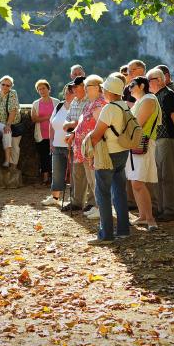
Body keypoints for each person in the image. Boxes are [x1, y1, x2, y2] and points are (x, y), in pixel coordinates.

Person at [88, 74, 131, 244]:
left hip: (108, 154)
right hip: (122, 152)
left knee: (103, 193)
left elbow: (96, 135)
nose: (102, 91)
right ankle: (123, 230)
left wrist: (90, 152)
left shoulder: (109, 108)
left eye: (104, 89)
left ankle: (106, 234)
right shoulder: (124, 106)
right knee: (119, 192)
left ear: (108, 91)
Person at [148, 67, 174, 222]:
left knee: (167, 175)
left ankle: (170, 210)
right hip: (158, 139)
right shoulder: (156, 96)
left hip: (167, 138)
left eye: (149, 80)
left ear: (158, 80)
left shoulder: (168, 95)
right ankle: (161, 208)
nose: (147, 83)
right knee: (159, 176)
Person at [68, 74, 106, 219]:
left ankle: (101, 208)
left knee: (96, 179)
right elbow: (81, 124)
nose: (85, 90)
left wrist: (92, 143)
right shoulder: (91, 103)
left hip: (93, 148)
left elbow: (100, 126)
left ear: (97, 88)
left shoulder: (99, 103)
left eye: (87, 87)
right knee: (91, 180)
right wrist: (73, 133)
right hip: (85, 149)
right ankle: (97, 206)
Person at [126, 76, 161, 230]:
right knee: (135, 182)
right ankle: (143, 216)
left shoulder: (148, 100)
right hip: (137, 144)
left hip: (143, 143)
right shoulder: (141, 101)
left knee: (138, 182)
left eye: (132, 85)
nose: (129, 87)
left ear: (141, 85)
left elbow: (137, 124)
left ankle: (150, 218)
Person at [62, 76, 95, 212]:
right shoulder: (74, 101)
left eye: (76, 86)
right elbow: (67, 121)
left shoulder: (90, 102)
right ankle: (77, 202)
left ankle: (92, 203)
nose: (73, 89)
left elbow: (83, 123)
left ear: (84, 86)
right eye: (73, 87)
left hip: (87, 142)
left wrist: (72, 125)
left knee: (91, 173)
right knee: (77, 173)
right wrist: (71, 125)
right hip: (75, 142)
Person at [42, 83, 74, 206]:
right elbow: (51, 124)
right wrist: (51, 141)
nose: (66, 94)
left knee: (74, 174)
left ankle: (74, 199)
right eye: (65, 91)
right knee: (57, 172)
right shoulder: (59, 105)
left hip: (71, 146)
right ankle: (55, 198)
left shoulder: (77, 106)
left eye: (70, 92)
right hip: (57, 145)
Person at [31, 80, 59, 185]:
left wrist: (42, 118)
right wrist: (49, 117)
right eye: (39, 89)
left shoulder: (56, 102)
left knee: (55, 156)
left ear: (48, 89)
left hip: (55, 135)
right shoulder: (36, 103)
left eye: (43, 88)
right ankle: (45, 178)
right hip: (41, 135)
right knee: (44, 157)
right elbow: (34, 119)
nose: (42, 90)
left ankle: (55, 178)